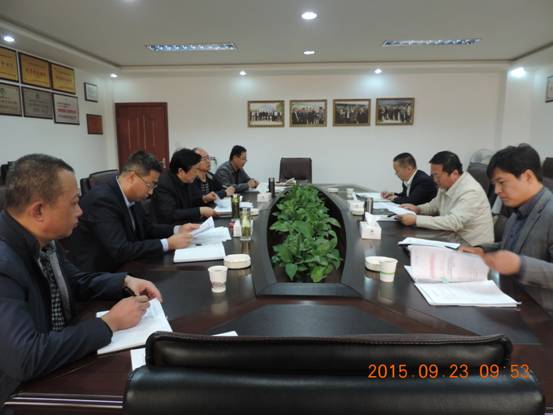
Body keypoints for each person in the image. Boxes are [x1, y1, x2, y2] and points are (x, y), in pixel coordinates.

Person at [0, 154, 162, 403]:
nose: (80, 211)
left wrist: (125, 281)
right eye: (74, 202)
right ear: (39, 210)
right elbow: (24, 357)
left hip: (60, 357)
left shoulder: (43, 240)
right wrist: (109, 323)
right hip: (19, 394)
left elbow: (75, 282)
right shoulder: (4, 263)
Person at [68, 151, 198, 272]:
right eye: (150, 185)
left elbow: (148, 229)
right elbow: (120, 249)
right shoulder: (102, 200)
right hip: (102, 273)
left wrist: (178, 229)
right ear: (132, 177)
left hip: (128, 265)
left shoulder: (131, 196)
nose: (151, 192)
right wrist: (167, 244)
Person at [462, 144, 553, 312]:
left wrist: (520, 265)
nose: (497, 191)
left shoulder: (550, 212)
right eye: (494, 184)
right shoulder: (519, 210)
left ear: (527, 176)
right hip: (511, 299)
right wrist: (483, 250)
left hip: (541, 314)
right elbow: (513, 246)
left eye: (501, 182)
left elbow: (517, 259)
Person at [397, 151, 493, 246]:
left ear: (454, 174)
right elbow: (434, 206)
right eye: (433, 175)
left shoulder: (471, 191)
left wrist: (416, 220)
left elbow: (453, 222)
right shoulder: (445, 185)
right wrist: (418, 209)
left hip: (472, 247)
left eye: (437, 176)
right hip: (451, 239)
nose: (434, 180)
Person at [151, 148, 217, 225]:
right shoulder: (164, 184)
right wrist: (199, 211)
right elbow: (171, 214)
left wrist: (204, 199)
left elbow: (193, 201)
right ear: (181, 171)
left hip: (187, 224)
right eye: (195, 170)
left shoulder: (187, 179)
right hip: (170, 228)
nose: (197, 174)